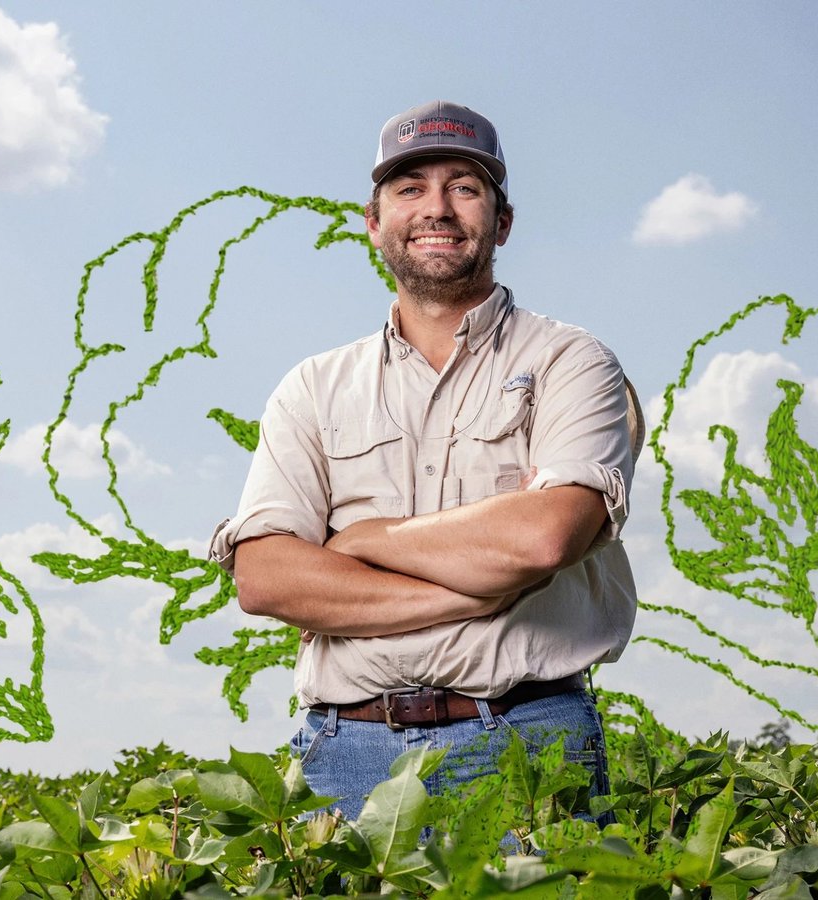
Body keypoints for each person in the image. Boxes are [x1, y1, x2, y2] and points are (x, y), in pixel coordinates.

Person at [209, 100, 643, 823]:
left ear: (501, 222)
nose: (436, 208)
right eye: (410, 189)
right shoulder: (313, 387)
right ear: (374, 222)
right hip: (346, 750)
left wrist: (364, 543)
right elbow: (263, 577)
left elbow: (544, 538)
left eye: (464, 187)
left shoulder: (572, 362)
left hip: (527, 742)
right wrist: (474, 593)